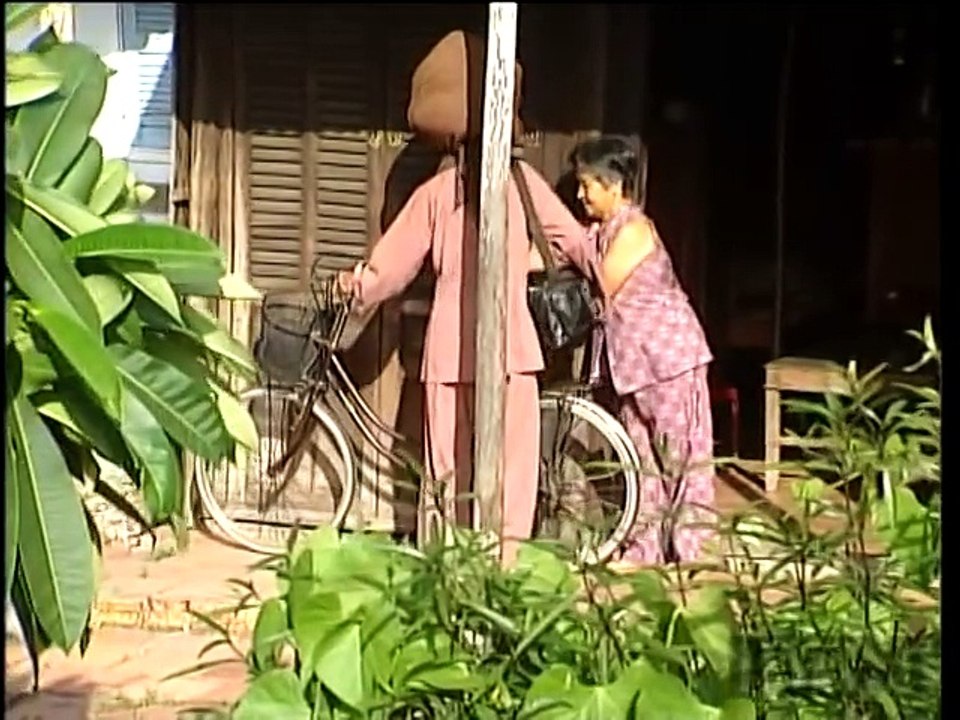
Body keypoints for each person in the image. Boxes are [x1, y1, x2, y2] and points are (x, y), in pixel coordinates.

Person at [338, 150, 591, 565]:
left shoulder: (439, 191)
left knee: (446, 464)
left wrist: (357, 287)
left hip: (450, 347)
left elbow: (393, 267)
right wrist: (534, 264)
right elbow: (573, 241)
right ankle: (504, 560)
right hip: (512, 347)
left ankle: (449, 558)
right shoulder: (522, 182)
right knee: (514, 466)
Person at [571, 135, 716, 566]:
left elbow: (603, 283)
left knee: (682, 461)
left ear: (613, 186)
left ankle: (695, 556)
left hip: (669, 359)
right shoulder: (603, 230)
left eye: (587, 185)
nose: (581, 195)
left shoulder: (633, 229)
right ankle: (644, 551)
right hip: (635, 367)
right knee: (643, 465)